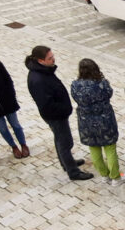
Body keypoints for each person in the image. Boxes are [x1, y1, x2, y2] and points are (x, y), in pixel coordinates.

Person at [26, 45, 93, 181]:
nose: (53, 59)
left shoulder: (43, 71)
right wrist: (64, 109)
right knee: (65, 142)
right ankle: (73, 172)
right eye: (50, 58)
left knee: (60, 139)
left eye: (53, 56)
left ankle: (66, 163)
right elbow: (46, 104)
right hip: (56, 116)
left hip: (58, 113)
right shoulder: (38, 79)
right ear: (40, 60)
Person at [71, 59, 125, 184]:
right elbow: (109, 94)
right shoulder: (102, 83)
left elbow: (75, 97)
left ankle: (104, 174)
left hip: (86, 123)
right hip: (105, 121)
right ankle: (115, 177)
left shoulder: (75, 85)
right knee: (110, 148)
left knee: (94, 149)